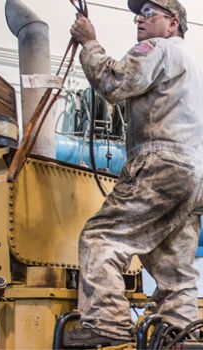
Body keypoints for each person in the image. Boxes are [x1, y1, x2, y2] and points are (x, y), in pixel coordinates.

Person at [67, 0, 203, 347]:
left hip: (161, 164)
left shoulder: (158, 48)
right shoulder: (192, 65)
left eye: (148, 14)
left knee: (101, 238)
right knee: (175, 267)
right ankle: (180, 336)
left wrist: (89, 43)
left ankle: (107, 323)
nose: (138, 20)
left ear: (172, 24)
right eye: (136, 14)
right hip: (194, 176)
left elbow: (115, 81)